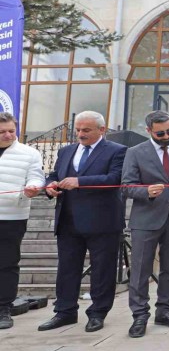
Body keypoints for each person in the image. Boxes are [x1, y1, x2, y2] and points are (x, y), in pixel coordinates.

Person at [39, 111, 127, 333]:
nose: (80, 134)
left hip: (103, 222)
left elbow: (115, 179)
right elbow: (54, 175)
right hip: (68, 221)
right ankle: (65, 311)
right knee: (67, 269)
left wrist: (80, 182)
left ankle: (98, 313)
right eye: (77, 130)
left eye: (86, 130)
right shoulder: (66, 151)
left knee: (102, 270)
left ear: (102, 130)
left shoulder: (118, 151)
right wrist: (50, 186)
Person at [121, 110, 169, 338]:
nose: (167, 136)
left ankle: (164, 311)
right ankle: (139, 315)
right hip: (145, 220)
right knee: (140, 270)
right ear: (149, 131)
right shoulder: (135, 153)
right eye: (161, 133)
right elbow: (126, 186)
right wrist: (145, 191)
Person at [0, 112, 44, 330]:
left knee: (7, 264)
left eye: (11, 130)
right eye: (2, 132)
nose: (8, 135)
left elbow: (36, 176)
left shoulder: (30, 153)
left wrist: (33, 187)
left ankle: (3, 309)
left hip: (11, 217)